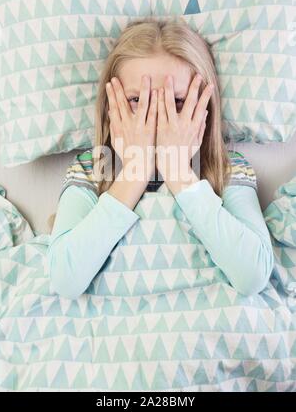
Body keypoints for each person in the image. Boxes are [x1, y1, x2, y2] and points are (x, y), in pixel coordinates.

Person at [46, 17, 274, 300]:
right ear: (111, 106)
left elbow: (252, 275)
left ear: (204, 106)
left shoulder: (225, 168)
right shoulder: (96, 167)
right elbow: (65, 280)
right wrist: (135, 172)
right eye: (136, 100)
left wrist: (179, 172)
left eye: (176, 102)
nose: (155, 117)